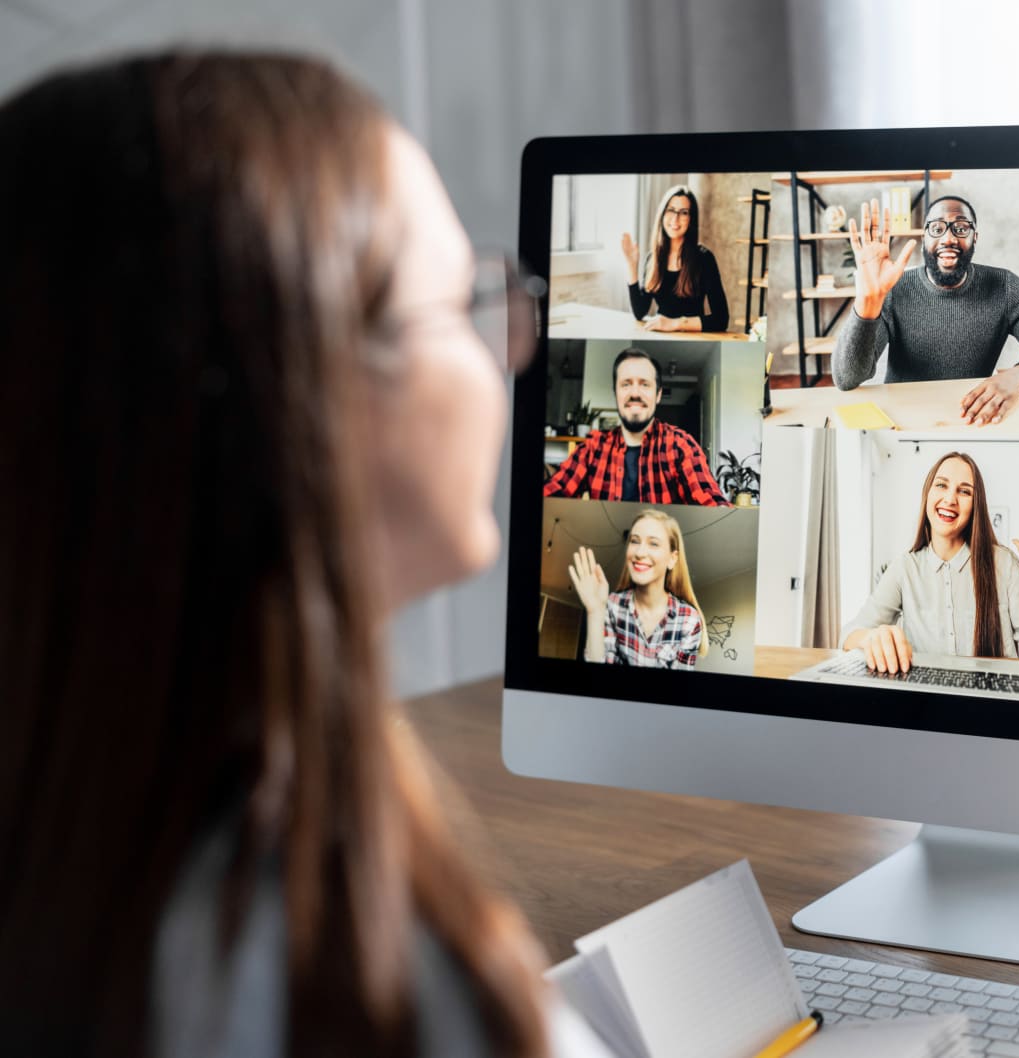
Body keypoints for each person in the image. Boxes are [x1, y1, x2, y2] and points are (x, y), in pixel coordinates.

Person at [0, 52, 608, 1056]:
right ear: (310, 400)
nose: (516, 346)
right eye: (464, 302)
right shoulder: (367, 996)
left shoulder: (75, 862)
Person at [834, 195, 1019, 426]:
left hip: (972, 414)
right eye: (937, 228)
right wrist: (868, 299)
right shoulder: (894, 289)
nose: (948, 238)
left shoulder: (1004, 287)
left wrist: (1017, 376)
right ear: (924, 237)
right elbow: (847, 379)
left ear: (975, 237)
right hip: (904, 417)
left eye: (960, 228)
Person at [840, 452, 1019, 673]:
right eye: (941, 485)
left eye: (964, 491)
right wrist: (870, 638)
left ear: (975, 505)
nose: (950, 499)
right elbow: (848, 636)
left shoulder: (1003, 563)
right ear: (927, 494)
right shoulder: (904, 568)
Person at [544, 347, 729, 506]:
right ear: (615, 393)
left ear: (658, 395)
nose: (634, 393)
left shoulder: (680, 445)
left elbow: (710, 501)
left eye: (644, 384)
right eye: (626, 384)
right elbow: (553, 495)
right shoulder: (593, 447)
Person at [567, 510, 705, 668]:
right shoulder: (612, 605)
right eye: (634, 541)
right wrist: (596, 611)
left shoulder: (689, 620)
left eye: (653, 543)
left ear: (672, 559)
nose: (639, 553)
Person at [621, 185, 729, 333]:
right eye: (671, 210)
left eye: (683, 212)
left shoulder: (704, 258)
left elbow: (721, 319)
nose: (675, 219)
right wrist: (632, 266)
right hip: (661, 336)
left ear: (691, 220)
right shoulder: (652, 258)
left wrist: (675, 324)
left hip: (692, 339)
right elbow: (639, 312)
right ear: (662, 214)